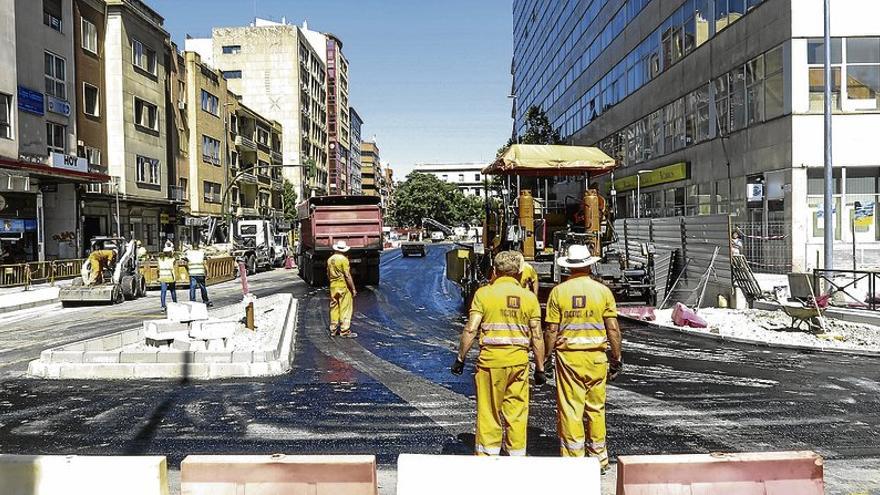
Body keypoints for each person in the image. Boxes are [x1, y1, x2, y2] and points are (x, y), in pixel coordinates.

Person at [451, 250, 545, 456]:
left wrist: (460, 359)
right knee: (517, 413)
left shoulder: (483, 294)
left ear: (494, 271)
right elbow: (537, 336)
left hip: (490, 363)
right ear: (520, 273)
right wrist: (540, 368)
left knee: (489, 411)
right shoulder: (529, 298)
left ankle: (487, 457)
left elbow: (470, 329)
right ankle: (516, 456)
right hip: (519, 363)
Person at [545, 244, 622, 472]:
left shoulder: (558, 292)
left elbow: (551, 330)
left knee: (571, 409)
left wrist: (546, 358)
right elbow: (613, 329)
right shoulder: (603, 292)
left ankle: (574, 461)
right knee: (596, 409)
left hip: (568, 359)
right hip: (597, 358)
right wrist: (616, 358)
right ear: (590, 264)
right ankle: (599, 459)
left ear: (568, 267)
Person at [328, 240, 357, 337]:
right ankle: (344, 331)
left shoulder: (330, 259)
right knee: (345, 307)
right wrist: (353, 288)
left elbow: (328, 274)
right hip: (342, 286)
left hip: (333, 286)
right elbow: (347, 275)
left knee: (334, 307)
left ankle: (333, 329)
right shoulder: (344, 259)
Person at [184, 242, 212, 307]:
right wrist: (208, 273)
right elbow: (205, 264)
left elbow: (185, 261)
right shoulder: (201, 253)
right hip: (200, 272)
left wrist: (188, 269)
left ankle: (192, 301)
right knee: (202, 287)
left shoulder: (189, 253)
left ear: (192, 247)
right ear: (198, 247)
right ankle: (205, 300)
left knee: (192, 287)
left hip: (192, 273)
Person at [158, 244, 178, 311]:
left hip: (162, 277)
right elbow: (173, 269)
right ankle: (175, 303)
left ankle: (163, 306)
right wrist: (175, 278)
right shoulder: (172, 259)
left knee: (163, 292)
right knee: (172, 291)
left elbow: (158, 269)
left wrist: (158, 277)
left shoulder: (159, 259)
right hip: (170, 277)